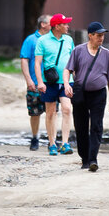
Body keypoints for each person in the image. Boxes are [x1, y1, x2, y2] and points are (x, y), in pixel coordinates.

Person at [65, 21, 109, 172]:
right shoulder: (78, 51)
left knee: (96, 126)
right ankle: (85, 159)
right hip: (80, 93)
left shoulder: (107, 54)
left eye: (103, 36)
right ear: (90, 35)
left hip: (99, 94)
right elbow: (68, 69)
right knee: (80, 127)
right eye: (98, 35)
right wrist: (67, 84)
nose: (101, 38)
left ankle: (93, 159)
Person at [35, 13, 75, 156]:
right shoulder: (43, 41)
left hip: (66, 81)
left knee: (67, 109)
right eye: (64, 24)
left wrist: (76, 79)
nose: (67, 26)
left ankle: (65, 143)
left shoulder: (69, 40)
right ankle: (52, 143)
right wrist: (39, 82)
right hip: (49, 82)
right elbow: (38, 62)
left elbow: (73, 61)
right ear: (57, 26)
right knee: (51, 112)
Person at [20, 14, 52, 151]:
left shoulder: (52, 40)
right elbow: (24, 60)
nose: (54, 24)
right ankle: (35, 137)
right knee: (34, 112)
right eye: (51, 22)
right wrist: (28, 79)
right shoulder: (31, 40)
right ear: (43, 24)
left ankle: (52, 140)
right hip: (34, 82)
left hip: (51, 83)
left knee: (52, 112)